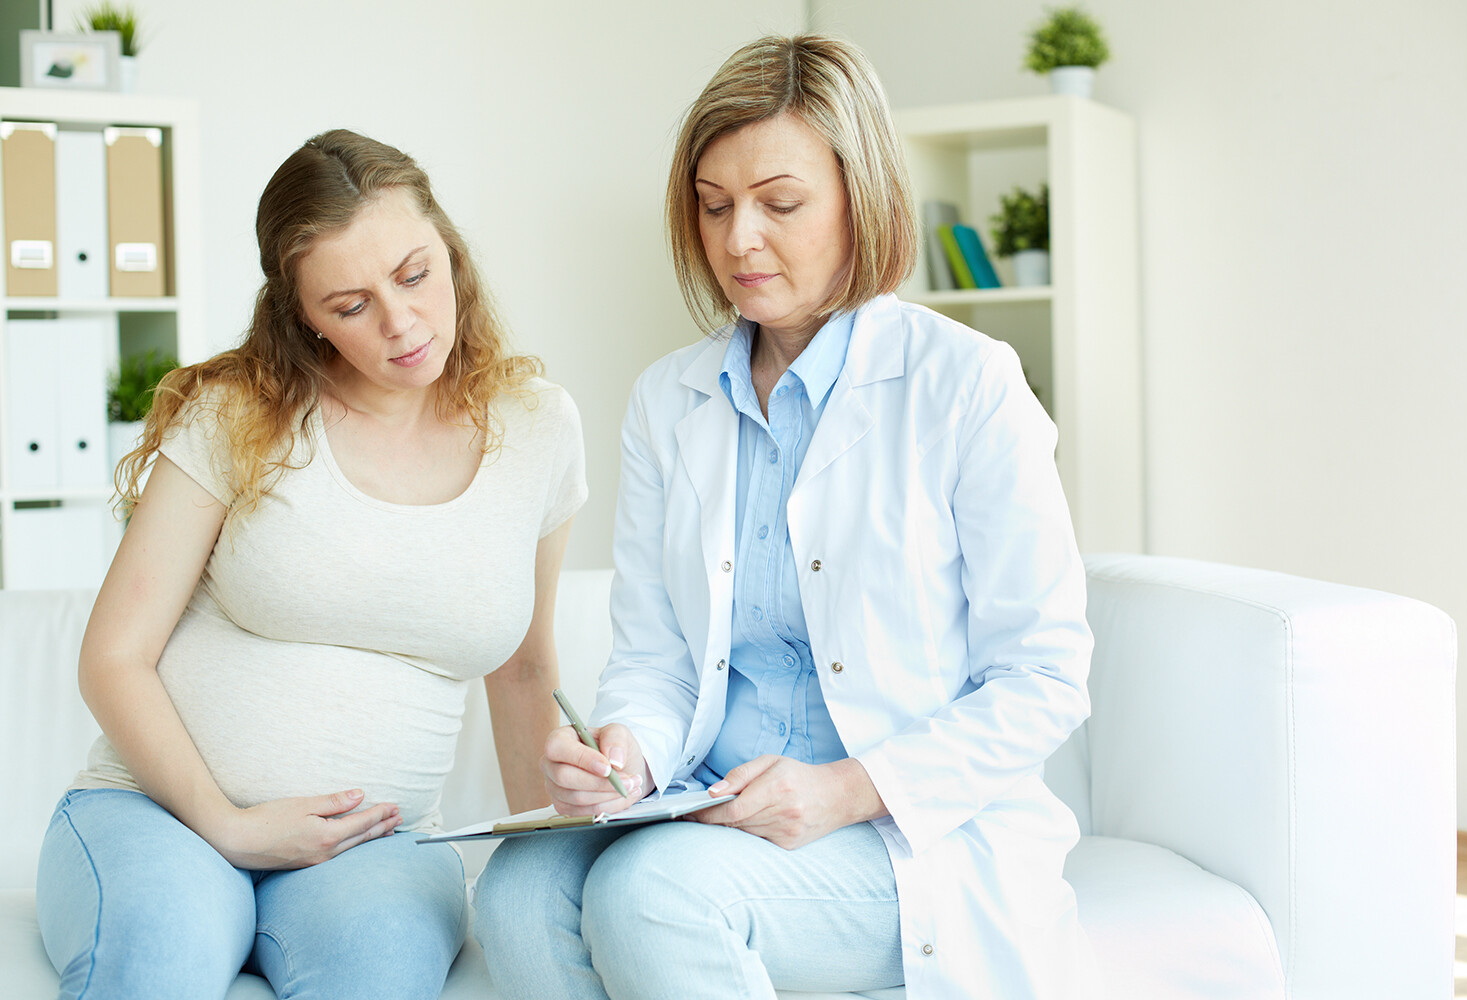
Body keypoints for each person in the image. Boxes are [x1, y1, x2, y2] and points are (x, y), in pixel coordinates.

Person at [472, 34, 1094, 1000]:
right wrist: (627, 755)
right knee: (515, 895)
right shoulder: (667, 401)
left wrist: (844, 790)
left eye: (781, 203)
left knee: (654, 895)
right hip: (711, 811)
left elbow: (1044, 677)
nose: (737, 240)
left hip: (905, 838)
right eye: (714, 208)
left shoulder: (968, 384)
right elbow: (658, 660)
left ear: (862, 195)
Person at [33, 129, 586, 1000]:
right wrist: (229, 826)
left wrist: (548, 867)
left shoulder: (539, 427)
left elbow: (523, 672)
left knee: (377, 973)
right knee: (158, 960)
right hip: (156, 817)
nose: (403, 324)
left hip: (371, 848)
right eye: (350, 305)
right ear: (300, 315)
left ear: (450, 250)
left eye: (415, 274)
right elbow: (114, 656)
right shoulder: (238, 413)